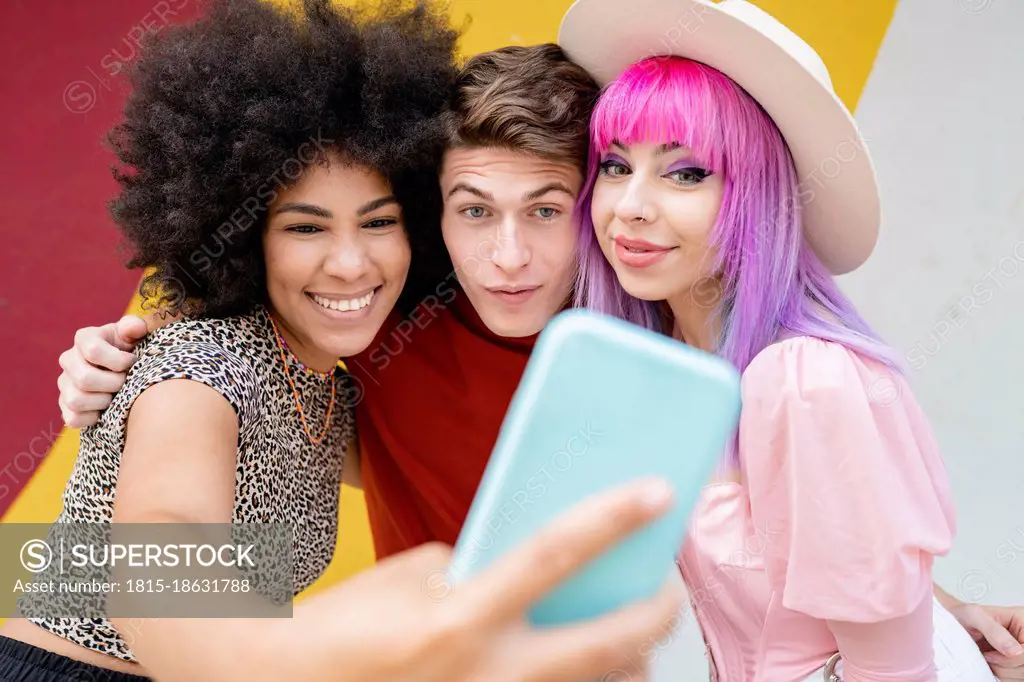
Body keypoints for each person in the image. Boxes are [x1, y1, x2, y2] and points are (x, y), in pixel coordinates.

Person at [54, 21, 1024, 682]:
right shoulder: (330, 333)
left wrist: (928, 605)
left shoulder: (639, 345)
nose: (506, 256)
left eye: (549, 210)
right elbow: (144, 565)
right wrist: (128, 370)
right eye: (470, 211)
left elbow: (788, 475)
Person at [1, 1, 686, 681]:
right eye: (305, 228)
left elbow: (47, 559)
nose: (352, 264)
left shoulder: (332, 375)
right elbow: (153, 558)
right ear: (243, 234)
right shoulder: (201, 366)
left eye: (379, 223)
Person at [557, 0, 1018, 679]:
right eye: (617, 166)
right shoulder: (674, 370)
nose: (630, 206)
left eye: (686, 172)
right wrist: (941, 607)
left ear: (757, 195)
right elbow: (809, 550)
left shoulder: (803, 380)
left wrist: (920, 625)